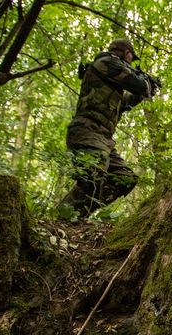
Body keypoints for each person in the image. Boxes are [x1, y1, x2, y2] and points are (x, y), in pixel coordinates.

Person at [57, 37, 154, 220]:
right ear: (127, 53)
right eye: (131, 58)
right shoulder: (106, 62)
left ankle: (77, 216)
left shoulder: (111, 75)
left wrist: (143, 94)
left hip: (103, 137)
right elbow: (139, 84)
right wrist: (145, 83)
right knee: (92, 176)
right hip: (87, 131)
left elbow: (124, 103)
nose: (131, 62)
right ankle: (62, 218)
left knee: (125, 179)